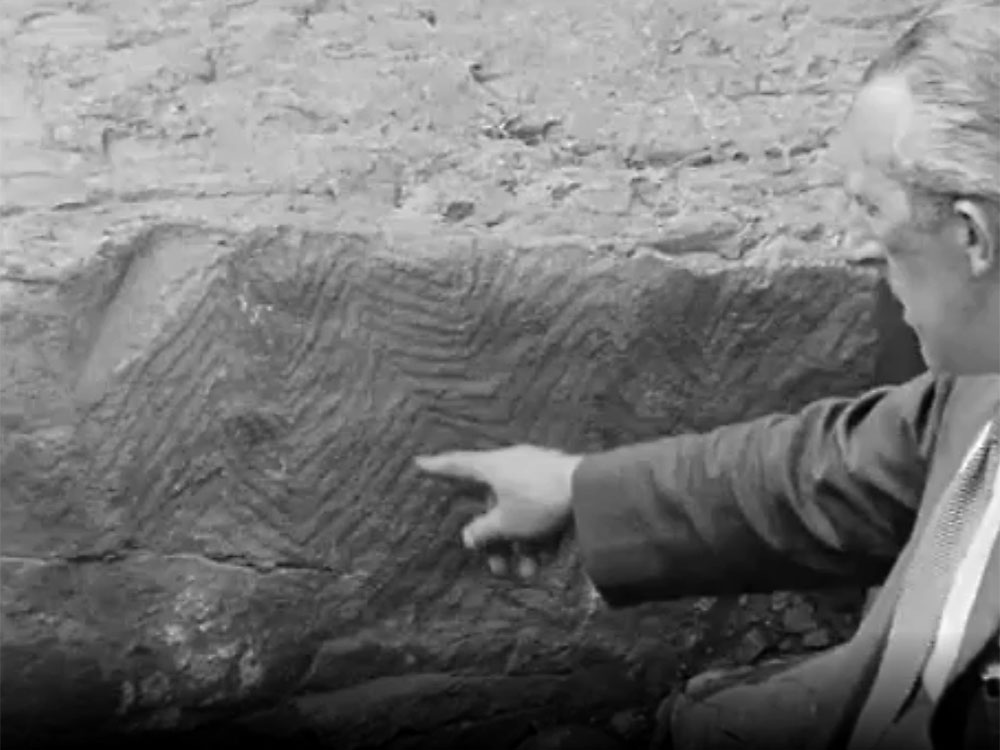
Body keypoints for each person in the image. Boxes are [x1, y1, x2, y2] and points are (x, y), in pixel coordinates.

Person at [415, 1, 1000, 748]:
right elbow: (826, 468)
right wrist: (576, 490)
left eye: (872, 210)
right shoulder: (979, 387)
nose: (857, 249)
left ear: (971, 235)